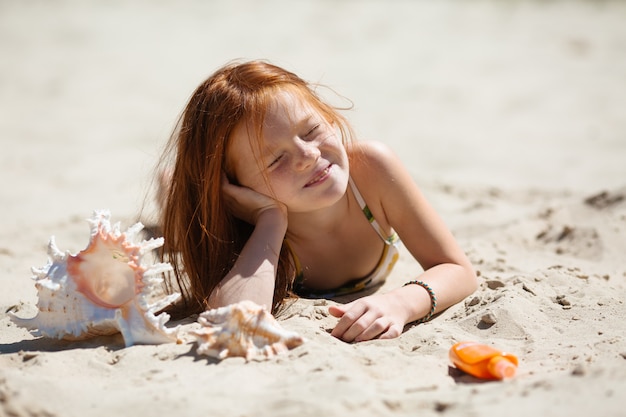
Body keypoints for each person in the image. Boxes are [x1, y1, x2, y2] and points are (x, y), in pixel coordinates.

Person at [157, 60, 477, 343]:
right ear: (237, 187)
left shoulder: (371, 171)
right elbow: (237, 322)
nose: (308, 156)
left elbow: (456, 268)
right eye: (276, 159)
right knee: (175, 232)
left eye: (311, 130)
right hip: (215, 213)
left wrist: (401, 302)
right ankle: (171, 188)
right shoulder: (243, 226)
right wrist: (270, 219)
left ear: (330, 118)